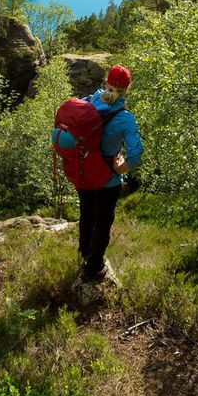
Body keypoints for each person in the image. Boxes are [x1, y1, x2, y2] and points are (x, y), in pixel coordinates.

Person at [78, 64, 143, 281]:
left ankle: (84, 253)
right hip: (107, 179)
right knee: (103, 221)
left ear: (106, 81)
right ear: (127, 89)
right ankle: (95, 266)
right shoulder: (126, 118)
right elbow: (136, 153)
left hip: (84, 174)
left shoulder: (90, 100)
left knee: (86, 214)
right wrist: (121, 167)